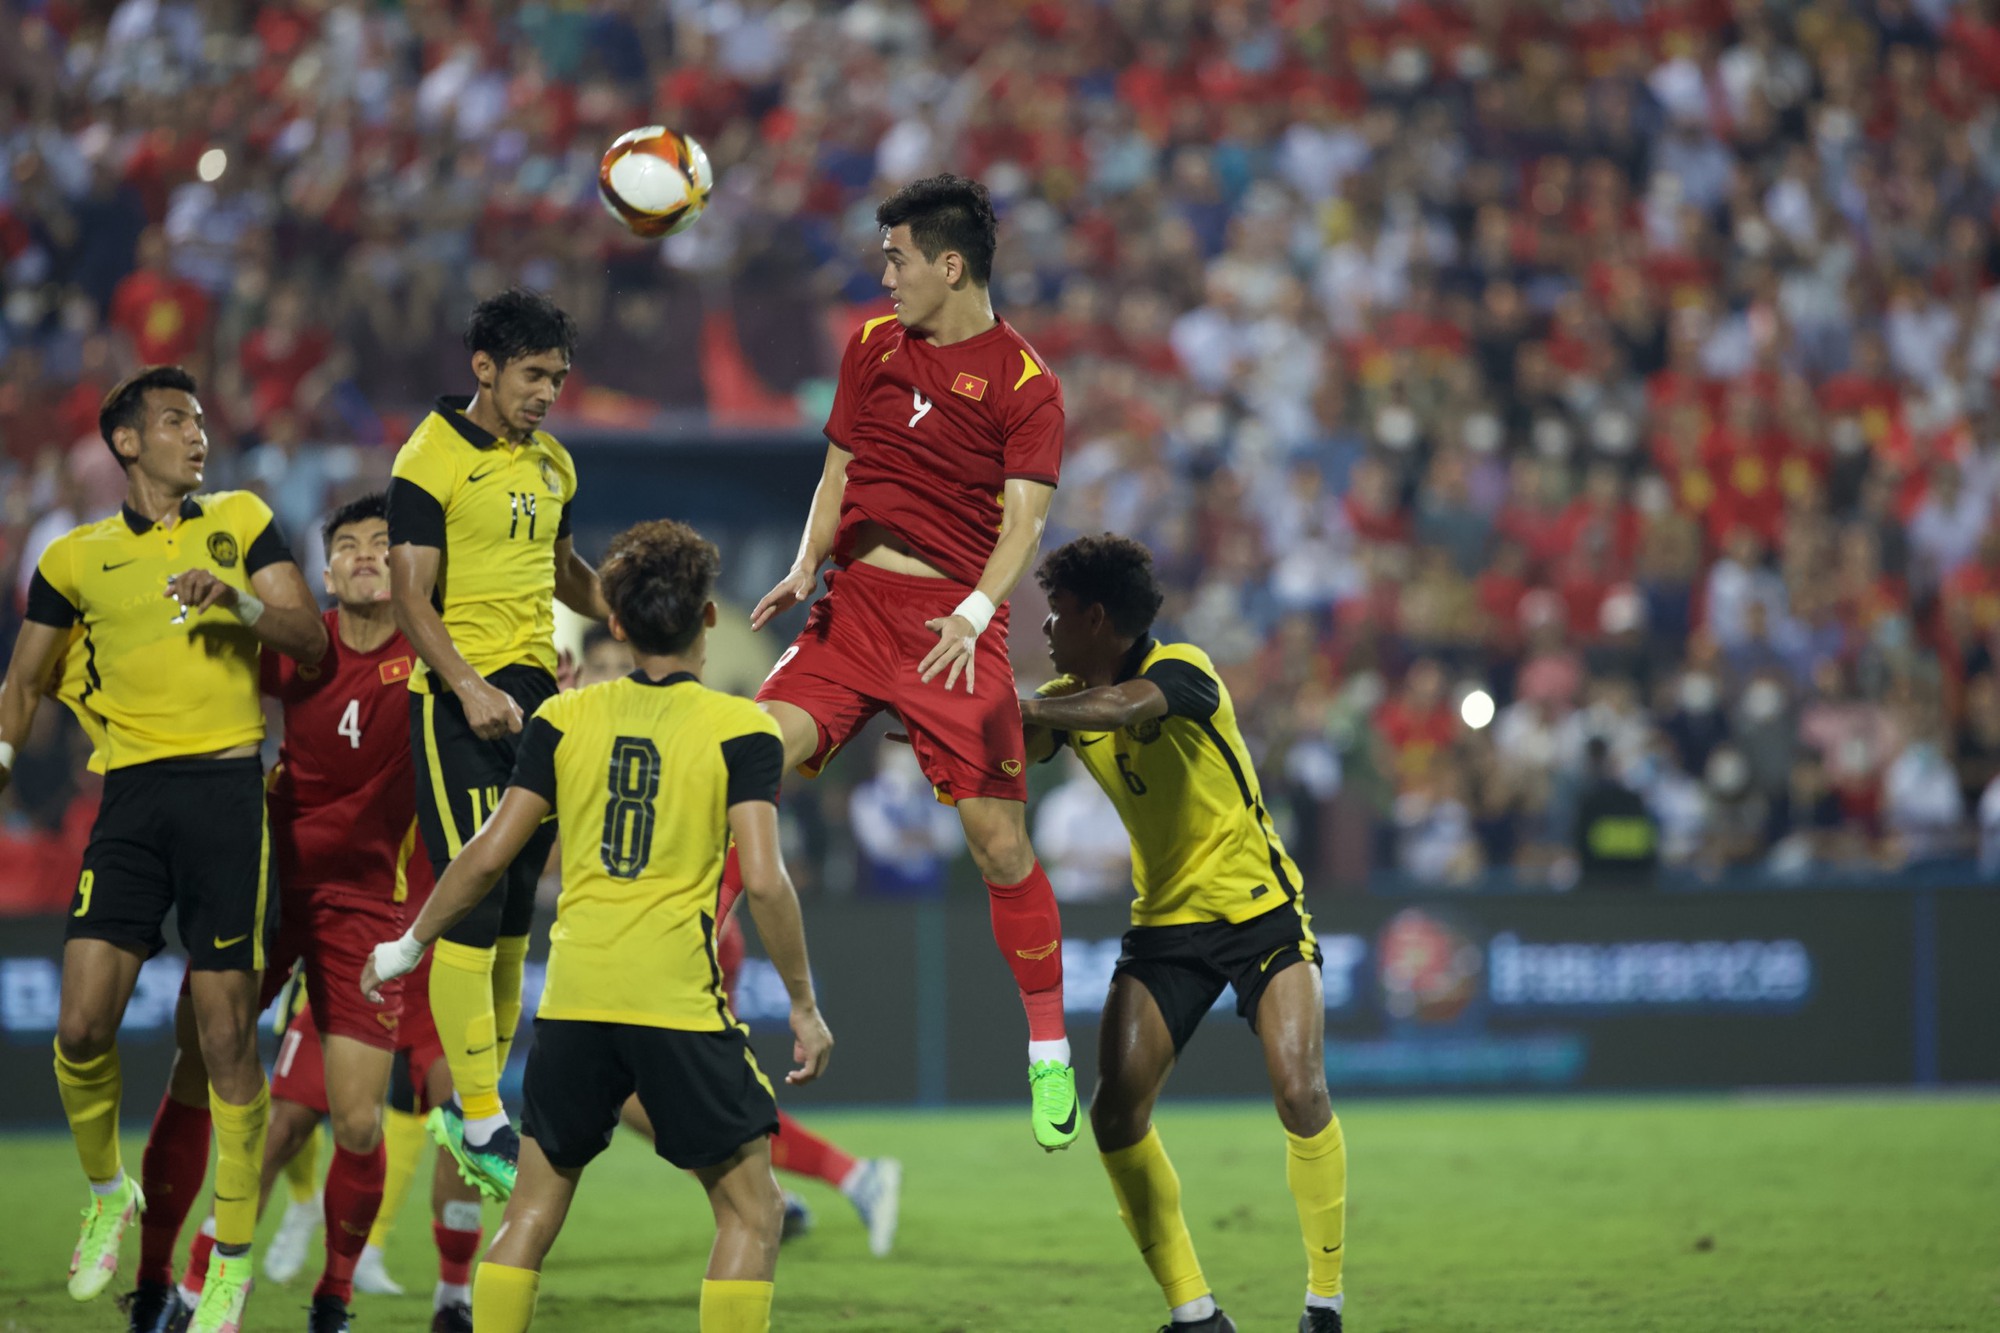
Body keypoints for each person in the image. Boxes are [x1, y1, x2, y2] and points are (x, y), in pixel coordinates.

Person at [363, 519, 832, 1333]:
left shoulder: (564, 719)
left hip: (574, 1003)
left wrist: (410, 943)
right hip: (676, 1002)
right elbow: (763, 878)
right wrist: (802, 1003)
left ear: (614, 622)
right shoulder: (743, 728)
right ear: (710, 617)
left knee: (534, 1211)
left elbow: (484, 855)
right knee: (753, 1210)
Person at [745, 173, 1077, 1148]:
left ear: (948, 264)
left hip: (950, 623)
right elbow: (839, 468)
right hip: (852, 614)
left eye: (893, 258)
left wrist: (974, 615)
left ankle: (1048, 1048)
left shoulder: (1025, 383)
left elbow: (1025, 524)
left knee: (998, 845)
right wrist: (806, 562)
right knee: (739, 762)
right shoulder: (868, 348)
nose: (880, 274)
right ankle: (707, 1002)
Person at [0, 366, 328, 1333]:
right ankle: (110, 1192)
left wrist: (236, 600)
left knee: (227, 1038)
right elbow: (23, 681)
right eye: (175, 420)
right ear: (126, 442)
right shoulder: (71, 560)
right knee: (79, 1026)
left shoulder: (241, 516)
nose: (196, 434)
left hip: (228, 792)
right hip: (132, 799)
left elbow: (308, 640)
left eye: (198, 418)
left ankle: (227, 1259)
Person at [125, 492, 459, 1333]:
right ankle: (167, 1278)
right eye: (348, 545)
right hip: (266, 888)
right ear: (324, 569)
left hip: (368, 911)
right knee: (199, 1070)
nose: (366, 557)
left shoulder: (430, 652)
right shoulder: (296, 642)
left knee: (353, 1119)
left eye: (383, 544)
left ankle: (334, 1291)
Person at [1018, 534, 1347, 1333]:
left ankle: (1325, 1303)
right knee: (1116, 1114)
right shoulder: (1065, 695)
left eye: (1058, 614)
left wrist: (1023, 706)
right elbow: (1010, 752)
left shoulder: (1183, 668)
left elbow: (1123, 706)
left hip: (1257, 908)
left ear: (1097, 618)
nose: (1048, 631)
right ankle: (1195, 1312)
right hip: (1164, 925)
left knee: (1300, 1088)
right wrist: (952, 739)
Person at [386, 287, 609, 1201]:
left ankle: (485, 1113)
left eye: (557, 377)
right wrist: (467, 685)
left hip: (532, 695)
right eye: (533, 375)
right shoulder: (428, 457)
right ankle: (478, 1116)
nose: (548, 393)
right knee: (472, 899)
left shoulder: (553, 463)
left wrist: (634, 612)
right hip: (454, 696)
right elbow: (409, 595)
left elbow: (562, 571)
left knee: (519, 907)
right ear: (484, 367)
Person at [578, 626, 902, 1255]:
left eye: (624, 662)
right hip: (653, 940)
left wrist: (710, 927)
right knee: (658, 1100)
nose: (614, 676)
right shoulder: (591, 729)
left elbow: (748, 857)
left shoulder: (684, 733)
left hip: (688, 942)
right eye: (601, 667)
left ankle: (818, 1183)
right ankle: (804, 1185)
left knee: (669, 1099)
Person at [1572, 736, 1660, 890]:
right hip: (1600, 889)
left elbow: (1646, 848)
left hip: (1633, 889)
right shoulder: (1589, 802)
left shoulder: (1634, 803)